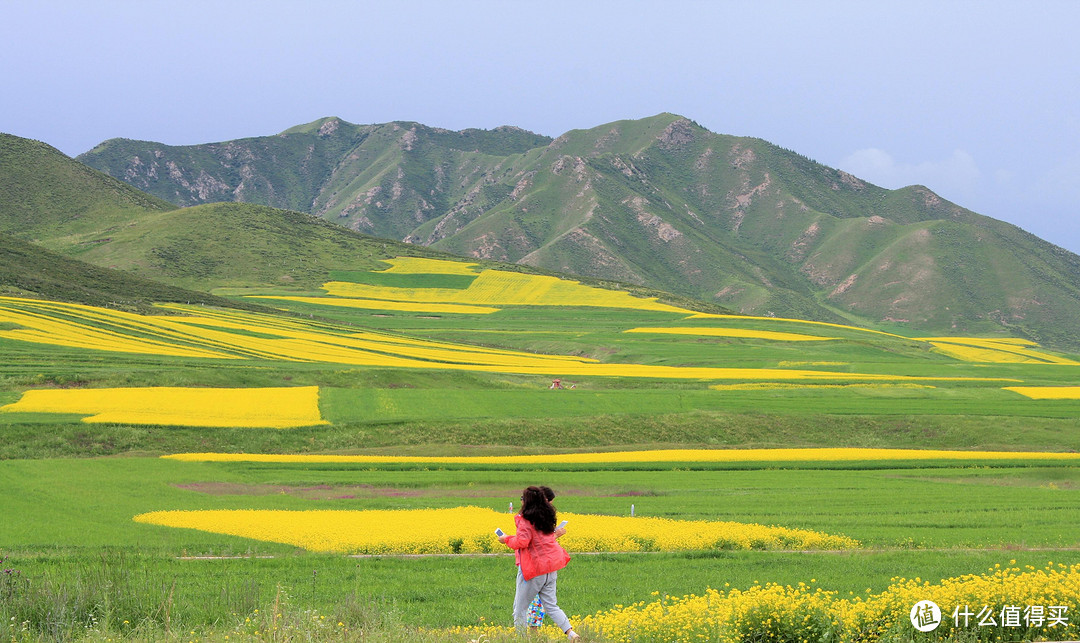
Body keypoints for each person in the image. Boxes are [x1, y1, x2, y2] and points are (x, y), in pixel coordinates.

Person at [498, 485, 579, 639]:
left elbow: (522, 542)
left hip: (534, 569)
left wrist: (505, 539)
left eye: (522, 498)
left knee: (520, 609)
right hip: (550, 568)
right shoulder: (546, 518)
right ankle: (571, 634)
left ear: (527, 501)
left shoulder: (525, 520)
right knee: (551, 606)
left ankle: (521, 640)